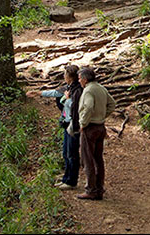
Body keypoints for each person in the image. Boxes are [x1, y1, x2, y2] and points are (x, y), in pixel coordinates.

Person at [76, 66, 116, 200]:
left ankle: (91, 190)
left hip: (90, 128)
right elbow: (112, 104)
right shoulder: (101, 88)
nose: (79, 81)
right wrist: (102, 116)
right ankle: (99, 188)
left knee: (88, 159)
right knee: (98, 159)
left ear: (85, 79)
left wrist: (83, 123)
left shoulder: (88, 91)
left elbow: (88, 107)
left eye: (80, 78)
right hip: (100, 127)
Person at [41, 64, 83, 190]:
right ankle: (66, 177)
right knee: (66, 152)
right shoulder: (69, 87)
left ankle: (71, 181)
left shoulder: (77, 90)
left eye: (65, 74)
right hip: (66, 123)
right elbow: (55, 92)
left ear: (70, 77)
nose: (64, 76)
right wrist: (39, 93)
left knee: (72, 153)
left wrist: (67, 99)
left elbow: (74, 107)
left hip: (73, 125)